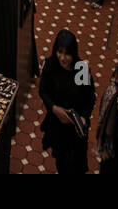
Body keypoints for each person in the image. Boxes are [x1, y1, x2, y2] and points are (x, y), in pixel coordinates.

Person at [39, 29, 96, 175]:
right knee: (61, 161)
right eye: (60, 52)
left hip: (76, 128)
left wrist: (83, 117)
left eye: (67, 53)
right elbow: (43, 91)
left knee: (76, 164)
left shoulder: (81, 70)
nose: (63, 58)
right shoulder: (51, 65)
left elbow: (90, 98)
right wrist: (54, 108)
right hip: (57, 125)